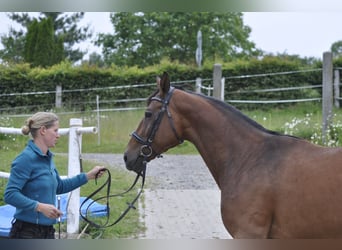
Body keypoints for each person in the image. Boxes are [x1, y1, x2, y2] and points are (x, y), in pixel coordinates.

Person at [4, 112, 105, 239]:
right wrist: (39, 207)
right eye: (55, 131)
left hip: (47, 232)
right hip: (26, 232)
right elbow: (10, 194)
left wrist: (88, 176)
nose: (58, 135)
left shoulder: (48, 157)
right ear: (43, 130)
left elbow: (60, 186)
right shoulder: (25, 159)